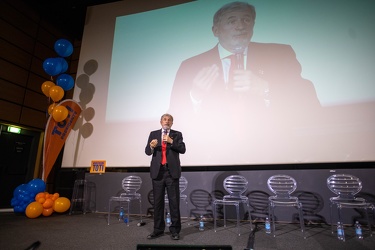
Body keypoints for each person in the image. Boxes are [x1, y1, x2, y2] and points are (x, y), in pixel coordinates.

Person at [168, 1, 322, 163]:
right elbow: (172, 120)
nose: (240, 26)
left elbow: (308, 101)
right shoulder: (191, 66)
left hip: (276, 155)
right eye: (232, 21)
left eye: (246, 20)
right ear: (216, 30)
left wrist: (266, 89)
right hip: (212, 159)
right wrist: (195, 96)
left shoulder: (279, 54)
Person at [145, 113, 186, 240]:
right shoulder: (153, 134)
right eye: (165, 119)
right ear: (160, 121)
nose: (167, 121)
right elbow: (147, 151)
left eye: (169, 120)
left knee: (174, 203)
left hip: (171, 172)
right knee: (157, 203)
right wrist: (151, 146)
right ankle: (158, 230)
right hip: (158, 173)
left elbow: (183, 149)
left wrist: (171, 141)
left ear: (172, 123)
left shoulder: (177, 134)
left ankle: (175, 230)